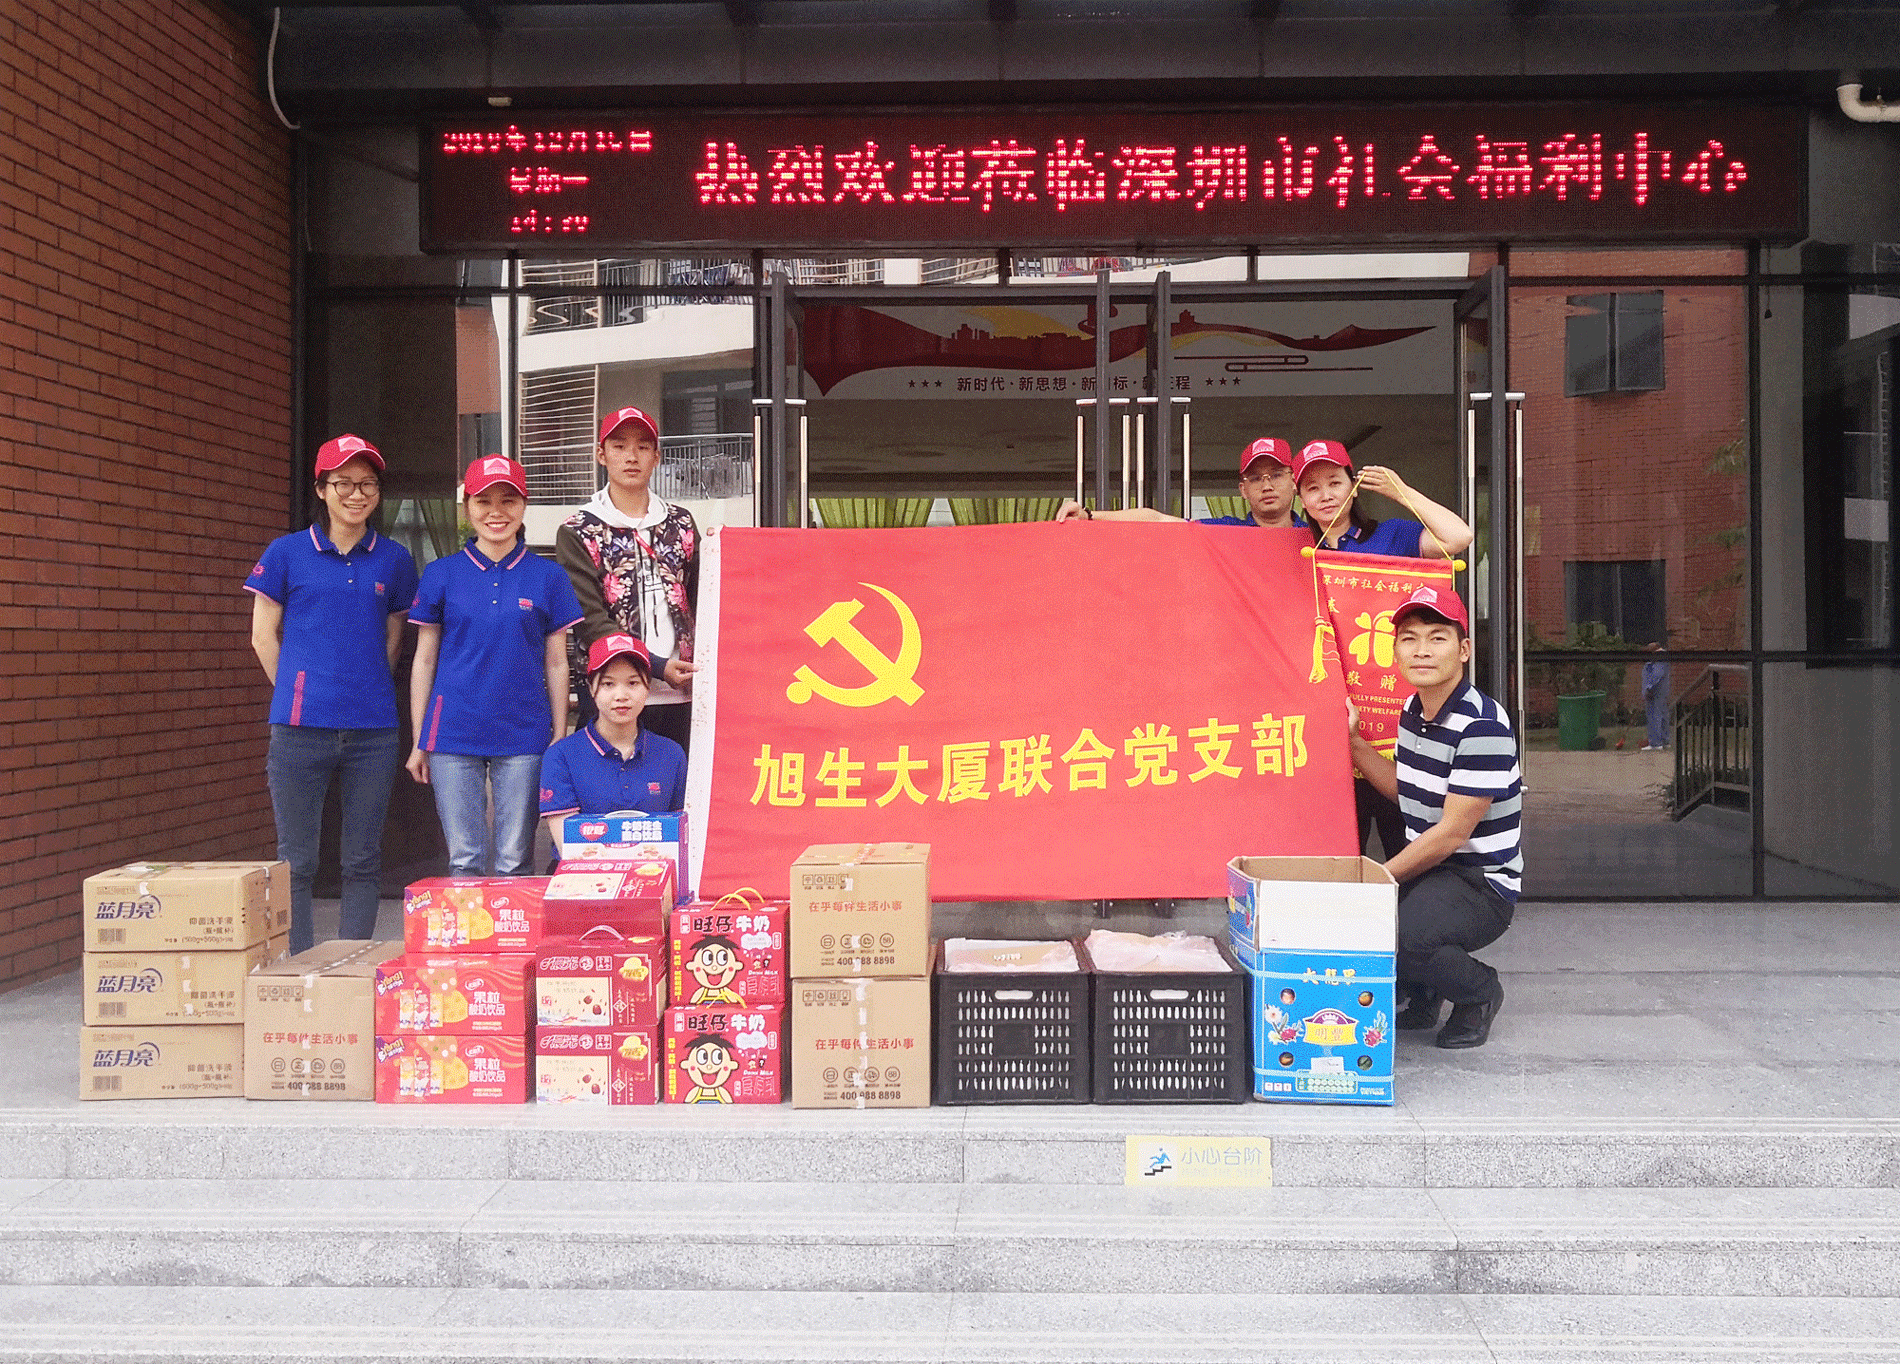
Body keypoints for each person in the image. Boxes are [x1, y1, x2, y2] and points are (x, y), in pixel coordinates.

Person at [245, 434, 418, 953]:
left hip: (372, 731)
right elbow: (262, 636)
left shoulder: (394, 559)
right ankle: (300, 969)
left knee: (362, 859)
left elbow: (394, 637)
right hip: (299, 729)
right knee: (297, 860)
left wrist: (364, 685)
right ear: (321, 489)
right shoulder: (286, 552)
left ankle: (351, 966)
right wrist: (298, 691)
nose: (356, 494)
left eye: (367, 484)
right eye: (343, 483)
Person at [1347, 585, 1521, 1050]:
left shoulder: (1481, 725)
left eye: (1437, 638)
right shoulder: (1413, 710)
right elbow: (1406, 791)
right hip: (1435, 870)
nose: (1422, 650)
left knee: (1406, 935)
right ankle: (1425, 993)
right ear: (1395, 651)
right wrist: (1354, 743)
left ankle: (1479, 993)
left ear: (1463, 650)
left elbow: (1451, 834)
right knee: (1368, 924)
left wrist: (1378, 877)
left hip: (1480, 882)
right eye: (1410, 638)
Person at [1294, 437, 1475, 860]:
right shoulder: (1296, 548)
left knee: (1408, 853)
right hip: (1330, 735)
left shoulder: (1393, 535)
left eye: (1335, 483)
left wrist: (1401, 492)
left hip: (1398, 730)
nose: (1326, 496)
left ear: (1353, 486)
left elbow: (1459, 536)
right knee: (1338, 861)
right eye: (1313, 488)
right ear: (1300, 498)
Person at [405, 456, 583, 877]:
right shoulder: (441, 573)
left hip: (524, 732)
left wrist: (558, 736)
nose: (496, 512)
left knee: (514, 858)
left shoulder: (548, 576)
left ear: (524, 505)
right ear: (466, 506)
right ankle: (467, 926)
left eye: (508, 500)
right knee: (463, 859)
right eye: (483, 501)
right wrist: (419, 739)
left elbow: (557, 662)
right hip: (452, 731)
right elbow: (424, 660)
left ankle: (513, 926)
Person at [556, 406, 700, 755]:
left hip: (682, 694)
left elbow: (704, 600)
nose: (631, 457)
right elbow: (589, 620)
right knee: (609, 785)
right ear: (601, 455)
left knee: (679, 785)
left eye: (643, 447)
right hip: (610, 694)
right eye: (619, 446)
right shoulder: (578, 530)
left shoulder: (681, 523)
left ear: (657, 457)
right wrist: (657, 667)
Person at [539, 634, 688, 844]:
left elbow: (679, 834)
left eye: (633, 683)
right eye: (608, 684)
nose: (621, 696)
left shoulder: (672, 754)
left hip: (655, 864)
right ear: (591, 688)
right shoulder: (561, 756)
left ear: (647, 687)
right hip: (584, 865)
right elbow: (568, 844)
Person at [1051, 436, 1304, 528]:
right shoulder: (1228, 532)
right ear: (1243, 490)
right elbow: (1157, 520)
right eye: (1256, 478)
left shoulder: (1316, 537)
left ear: (1294, 482)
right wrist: (1088, 515)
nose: (1267, 486)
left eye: (1276, 475)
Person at [1642, 642, 1670, 750]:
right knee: (1662, 715)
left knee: (1654, 716)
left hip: (1655, 692)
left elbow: (1656, 675)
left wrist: (1649, 688)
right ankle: (1664, 741)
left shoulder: (1659, 658)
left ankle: (1655, 743)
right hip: (1661, 691)